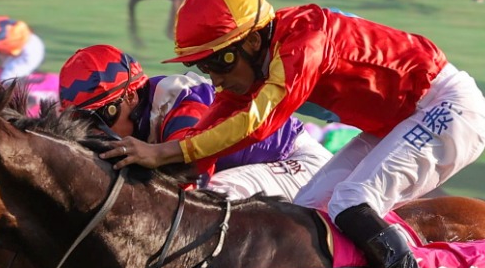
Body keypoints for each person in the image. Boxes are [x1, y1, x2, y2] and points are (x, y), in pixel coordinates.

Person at [105, 0, 485, 268]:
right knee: (307, 213)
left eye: (216, 62)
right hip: (400, 121)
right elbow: (216, 124)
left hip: (449, 109)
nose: (213, 77)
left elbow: (258, 121)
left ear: (253, 42)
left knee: (351, 199)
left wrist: (165, 150)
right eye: (201, 65)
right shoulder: (257, 57)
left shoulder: (305, 39)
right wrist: (172, 175)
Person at [58, 43, 327, 201]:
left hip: (296, 163)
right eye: (80, 120)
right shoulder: (139, 115)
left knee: (207, 199)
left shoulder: (181, 99)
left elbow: (193, 176)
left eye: (101, 116)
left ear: (130, 96)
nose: (92, 130)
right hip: (257, 168)